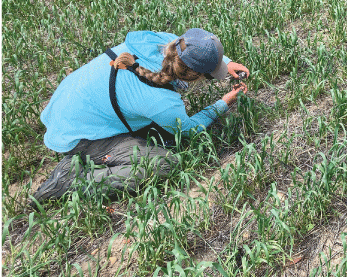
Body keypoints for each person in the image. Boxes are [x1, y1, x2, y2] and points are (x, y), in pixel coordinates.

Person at [31, 28, 249, 205]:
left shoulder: (156, 42)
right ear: (193, 76)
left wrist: (226, 63)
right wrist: (224, 103)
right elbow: (189, 129)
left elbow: (194, 50)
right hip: (76, 135)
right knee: (165, 164)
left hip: (66, 103)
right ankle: (70, 181)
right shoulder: (161, 102)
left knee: (157, 132)